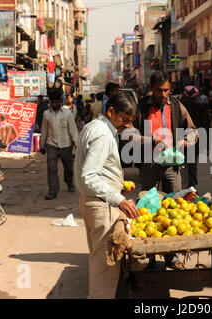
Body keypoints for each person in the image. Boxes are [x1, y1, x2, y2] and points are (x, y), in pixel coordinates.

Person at [75, 91, 139, 299]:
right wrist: (118, 199)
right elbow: (89, 175)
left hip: (92, 201)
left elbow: (97, 171)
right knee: (105, 268)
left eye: (130, 121)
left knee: (99, 262)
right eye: (124, 120)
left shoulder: (94, 127)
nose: (127, 125)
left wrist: (116, 185)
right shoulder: (102, 134)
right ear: (111, 111)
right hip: (101, 206)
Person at [132, 70, 198, 270]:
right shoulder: (141, 107)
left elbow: (193, 130)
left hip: (172, 165)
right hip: (149, 165)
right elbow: (129, 134)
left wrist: (188, 140)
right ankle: (150, 254)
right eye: (159, 90)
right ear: (151, 89)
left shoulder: (177, 106)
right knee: (148, 209)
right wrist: (150, 141)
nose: (163, 94)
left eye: (166, 90)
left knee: (175, 206)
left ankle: (172, 255)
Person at [40, 88, 78, 200]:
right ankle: (53, 191)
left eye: (57, 102)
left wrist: (76, 143)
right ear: (50, 102)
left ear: (60, 102)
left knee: (68, 168)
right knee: (51, 168)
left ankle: (69, 182)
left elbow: (73, 129)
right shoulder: (46, 114)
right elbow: (44, 130)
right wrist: (42, 145)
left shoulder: (67, 113)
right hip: (52, 145)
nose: (55, 104)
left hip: (66, 145)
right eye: (53, 102)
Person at [180, 85, 210, 188]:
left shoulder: (180, 105)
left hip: (184, 139)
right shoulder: (201, 107)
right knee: (191, 165)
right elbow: (206, 126)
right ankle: (191, 188)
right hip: (192, 139)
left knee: (181, 165)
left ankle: (184, 188)